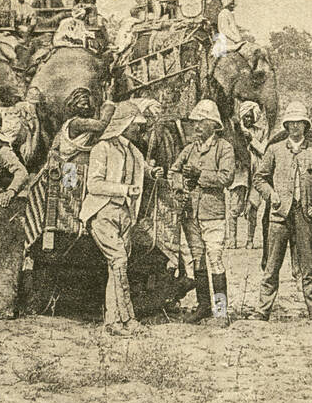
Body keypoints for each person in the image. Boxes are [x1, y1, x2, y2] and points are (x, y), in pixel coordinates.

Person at [246, 101, 312, 322]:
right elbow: (259, 178)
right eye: (291, 123)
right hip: (279, 215)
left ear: (306, 125)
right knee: (272, 265)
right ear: (286, 126)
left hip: (305, 214)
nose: (295, 127)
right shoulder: (275, 150)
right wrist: (271, 194)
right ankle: (262, 309)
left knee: (308, 265)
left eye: (300, 123)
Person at [82, 101, 154, 336]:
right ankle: (129, 319)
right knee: (120, 261)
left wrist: (154, 172)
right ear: (124, 124)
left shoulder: (134, 151)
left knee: (116, 269)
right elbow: (93, 185)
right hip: (103, 213)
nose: (139, 130)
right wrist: (124, 189)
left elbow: (145, 170)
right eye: (136, 125)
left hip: (125, 215)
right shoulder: (101, 149)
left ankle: (113, 322)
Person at [169, 99, 236, 323]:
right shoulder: (189, 149)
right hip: (191, 214)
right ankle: (204, 306)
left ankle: (220, 311)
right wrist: (179, 187)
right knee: (198, 261)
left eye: (200, 122)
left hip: (212, 213)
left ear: (212, 124)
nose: (196, 126)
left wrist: (200, 175)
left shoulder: (224, 148)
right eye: (194, 122)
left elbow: (226, 178)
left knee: (215, 260)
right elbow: (173, 171)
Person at [228, 100, 266, 248]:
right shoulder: (236, 131)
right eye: (246, 117)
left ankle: (250, 240)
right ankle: (232, 239)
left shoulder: (260, 132)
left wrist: (252, 139)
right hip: (240, 172)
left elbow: (264, 150)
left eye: (251, 117)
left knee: (253, 207)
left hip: (256, 171)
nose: (248, 119)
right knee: (234, 207)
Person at [213, 0, 263, 71]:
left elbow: (233, 28)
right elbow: (225, 30)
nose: (233, 4)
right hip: (227, 41)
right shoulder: (224, 13)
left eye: (233, 2)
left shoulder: (228, 13)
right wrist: (237, 39)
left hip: (232, 41)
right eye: (231, 2)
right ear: (227, 3)